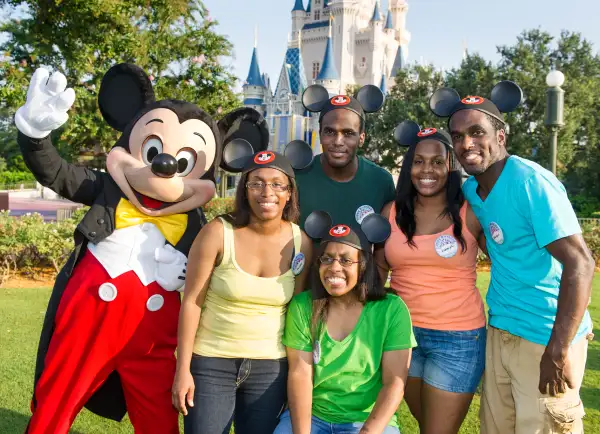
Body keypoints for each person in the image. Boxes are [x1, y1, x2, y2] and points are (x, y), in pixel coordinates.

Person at [430, 81, 595, 433]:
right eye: (457, 136)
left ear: (501, 136)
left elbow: (580, 263)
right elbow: (496, 244)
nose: (466, 143)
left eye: (477, 132)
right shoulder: (473, 189)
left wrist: (560, 347)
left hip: (543, 336)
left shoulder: (531, 182)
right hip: (501, 330)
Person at [172, 150, 313, 434]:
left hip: (271, 368)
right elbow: (191, 303)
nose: (267, 192)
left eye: (277, 184)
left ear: (289, 194)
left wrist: (295, 376)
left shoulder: (302, 243)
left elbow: (298, 314)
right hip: (211, 363)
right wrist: (182, 369)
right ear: (245, 190)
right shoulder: (217, 232)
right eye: (256, 183)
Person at [374, 122, 487, 434]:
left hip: (458, 339)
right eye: (418, 161)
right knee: (428, 425)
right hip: (401, 337)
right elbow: (377, 270)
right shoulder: (392, 212)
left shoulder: (470, 213)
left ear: (450, 166)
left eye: (437, 162)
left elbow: (509, 264)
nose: (427, 170)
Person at [274, 210, 416, 434]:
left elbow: (394, 383)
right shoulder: (303, 306)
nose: (334, 267)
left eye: (345, 260)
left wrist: (368, 431)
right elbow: (300, 375)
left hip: (367, 419)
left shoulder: (391, 309)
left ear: (364, 265)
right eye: (327, 259)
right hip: (313, 415)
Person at [296, 84, 396, 231]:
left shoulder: (381, 181)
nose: (338, 141)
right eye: (330, 132)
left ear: (361, 138)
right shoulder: (297, 177)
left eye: (348, 133)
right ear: (320, 133)